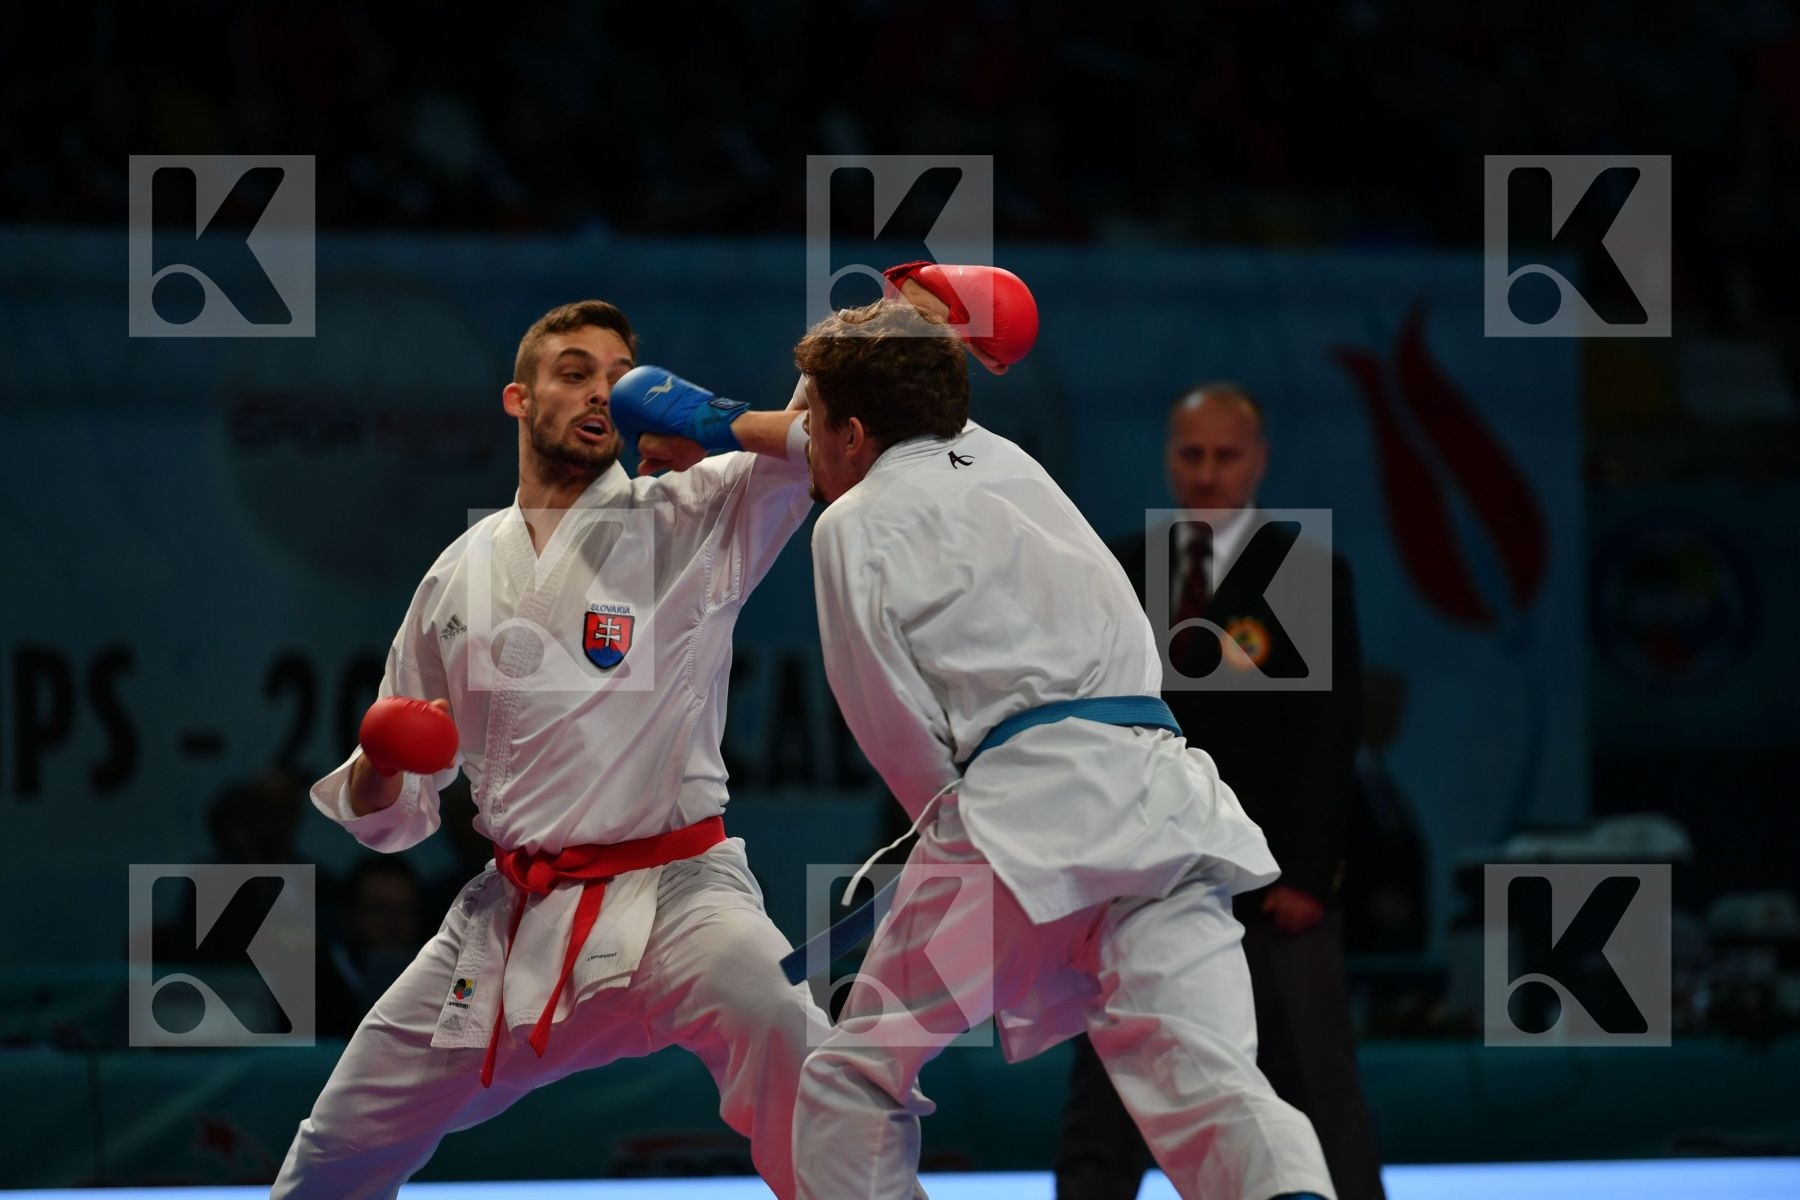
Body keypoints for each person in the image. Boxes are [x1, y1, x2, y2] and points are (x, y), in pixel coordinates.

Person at [647, 296, 1335, 1200]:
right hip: (1166, 808)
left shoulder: (852, 523)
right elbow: (868, 413)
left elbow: (893, 727)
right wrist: (722, 415)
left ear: (850, 434)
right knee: (1213, 1083)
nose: (806, 444)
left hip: (1016, 826)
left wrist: (946, 839)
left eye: (816, 425)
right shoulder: (1007, 459)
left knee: (853, 1077)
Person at [272, 299, 847, 1200]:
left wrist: (723, 412)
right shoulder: (457, 574)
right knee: (340, 1142)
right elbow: (396, 820)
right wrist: (381, 763)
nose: (600, 393)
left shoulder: (691, 513)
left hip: (679, 899)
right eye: (574, 373)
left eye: (620, 378)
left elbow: (826, 444)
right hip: (513, 917)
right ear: (518, 398)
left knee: (789, 1038)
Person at [1055, 384, 1384, 1200]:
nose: (1206, 473)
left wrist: (1307, 872)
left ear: (1258, 461)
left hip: (1270, 885)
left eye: (1225, 455)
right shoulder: (1120, 567)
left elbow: (1327, 733)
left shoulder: (1300, 572)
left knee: (1312, 1089)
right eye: (1191, 454)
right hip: (1140, 877)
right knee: (1108, 1100)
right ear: (1169, 458)